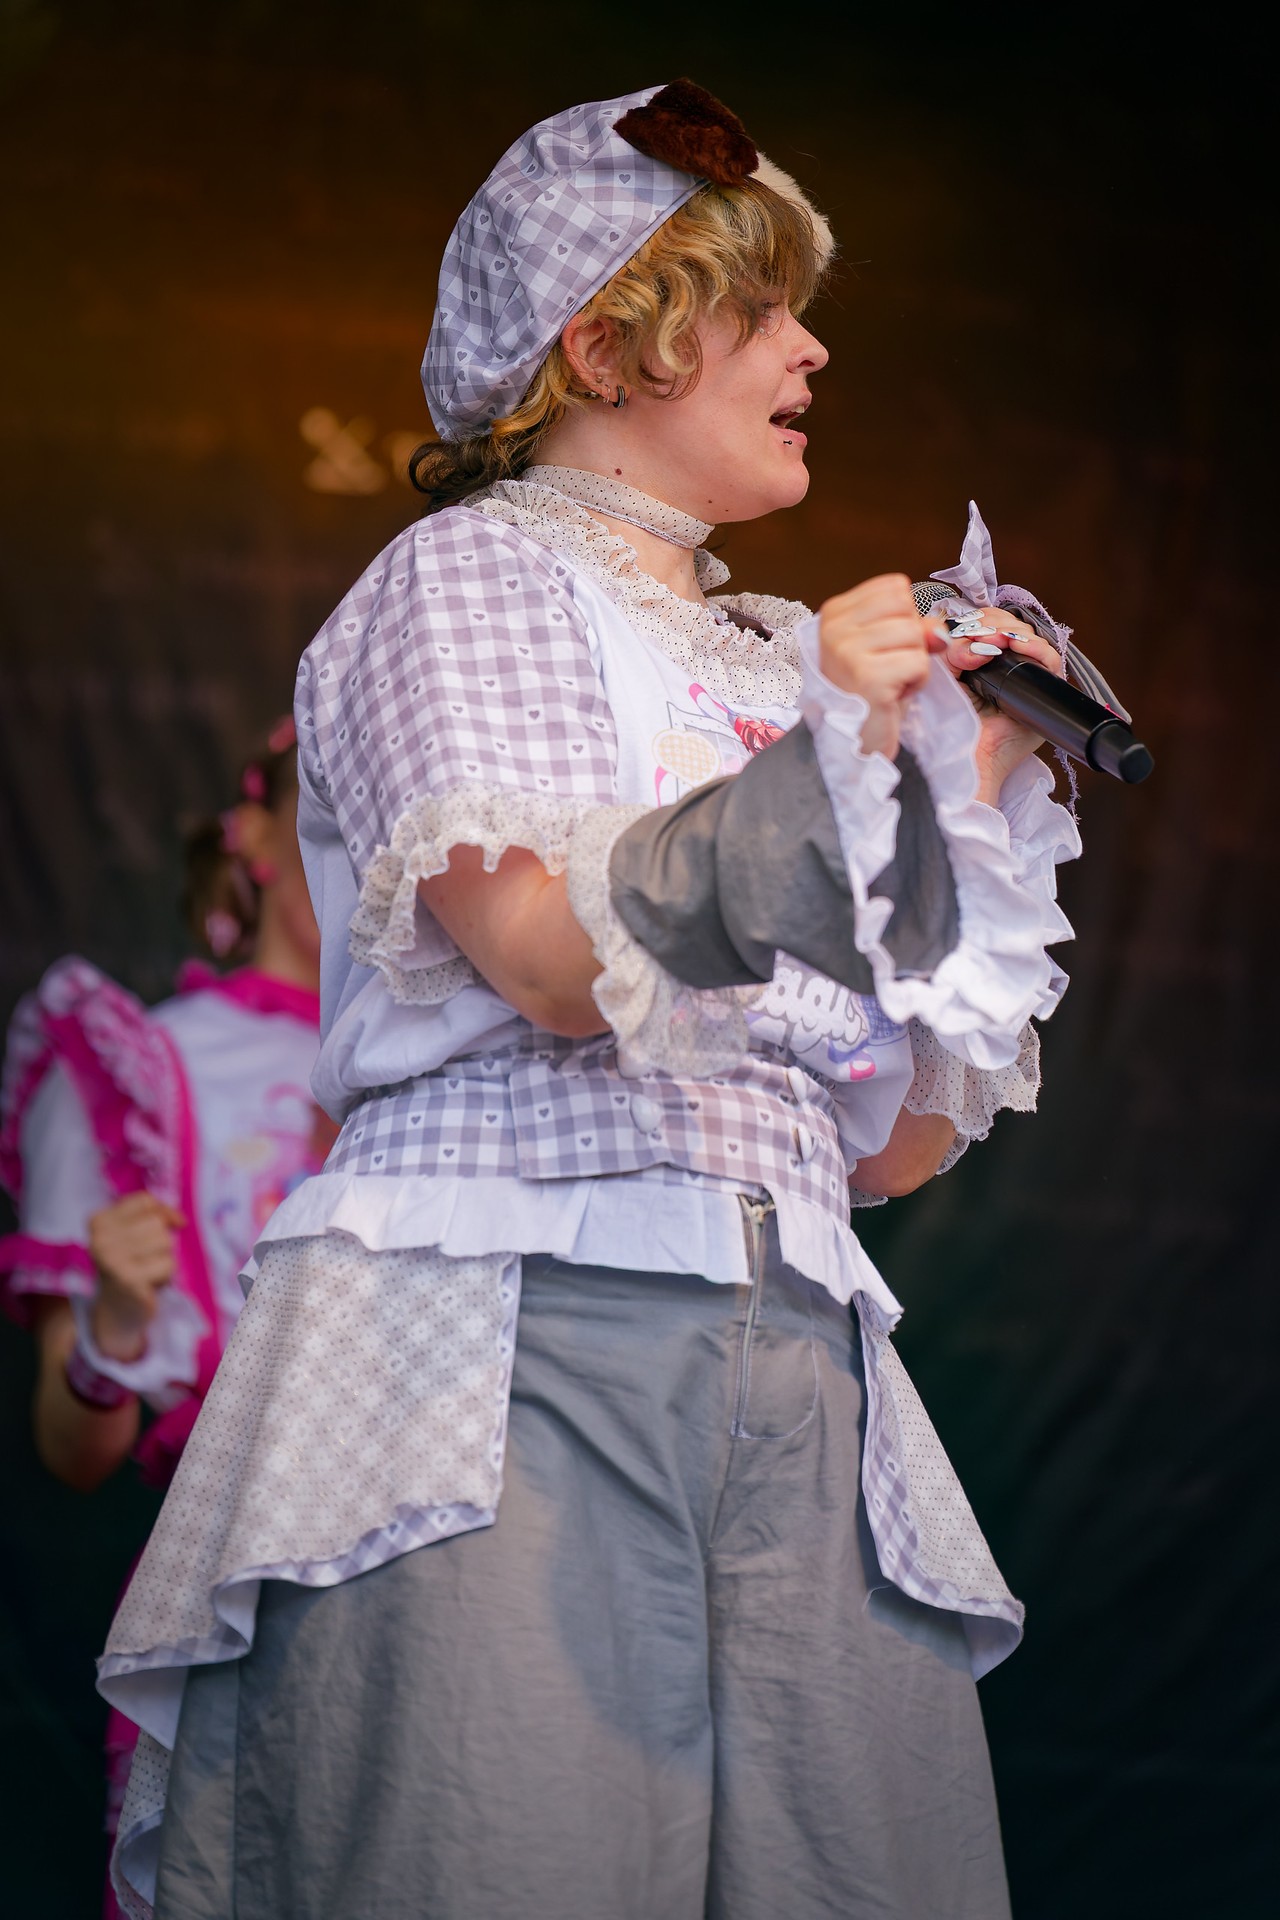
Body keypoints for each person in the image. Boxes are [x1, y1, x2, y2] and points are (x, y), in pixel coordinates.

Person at [99, 82, 1085, 1920]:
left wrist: (973, 801)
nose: (811, 348)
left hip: (802, 1361)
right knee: (503, 1860)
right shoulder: (464, 577)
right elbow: (552, 966)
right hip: (510, 1337)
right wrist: (826, 769)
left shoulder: (777, 654)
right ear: (608, 342)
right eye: (762, 306)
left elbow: (880, 1147)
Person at [0, 721, 326, 1911]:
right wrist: (114, 1324)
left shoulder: (474, 1071)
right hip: (232, 1596)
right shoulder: (138, 1064)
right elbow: (73, 1451)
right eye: (329, 817)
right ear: (257, 839)